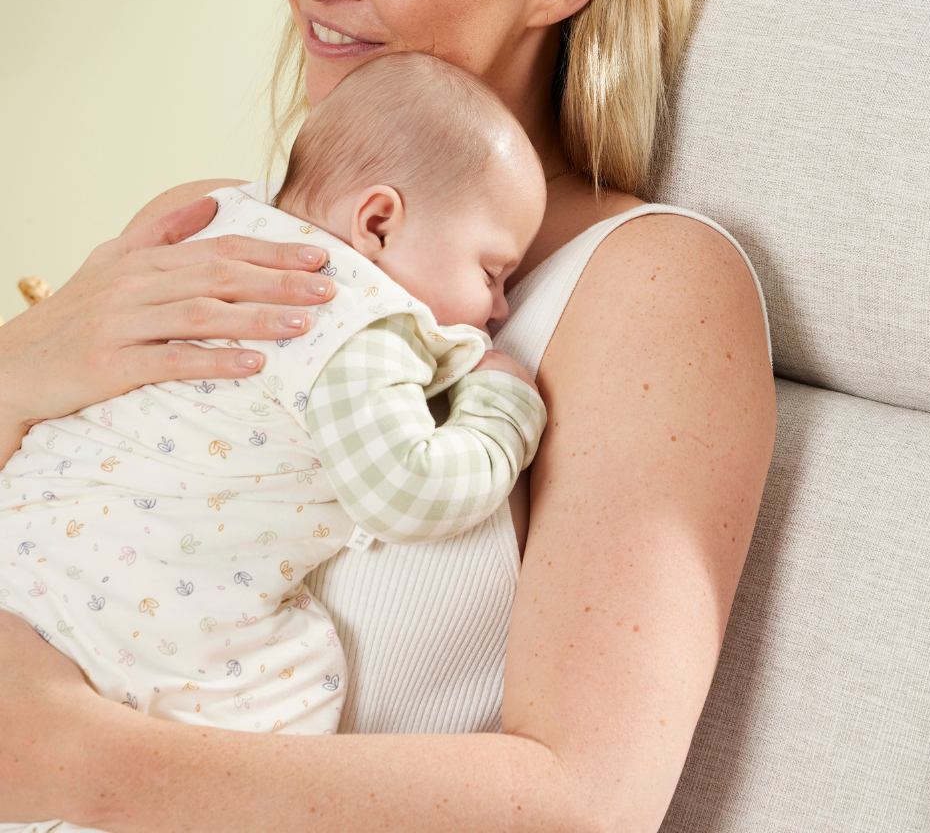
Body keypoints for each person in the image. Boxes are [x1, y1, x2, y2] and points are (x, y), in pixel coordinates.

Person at [0, 0, 776, 833]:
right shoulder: (218, 224)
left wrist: (74, 759)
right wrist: (18, 368)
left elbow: (586, 803)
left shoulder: (648, 288)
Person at [0, 51, 548, 748]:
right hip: (128, 623)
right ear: (379, 222)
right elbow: (409, 490)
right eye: (492, 271)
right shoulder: (354, 320)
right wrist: (503, 409)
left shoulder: (217, 227)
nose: (500, 307)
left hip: (25, 554)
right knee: (281, 693)